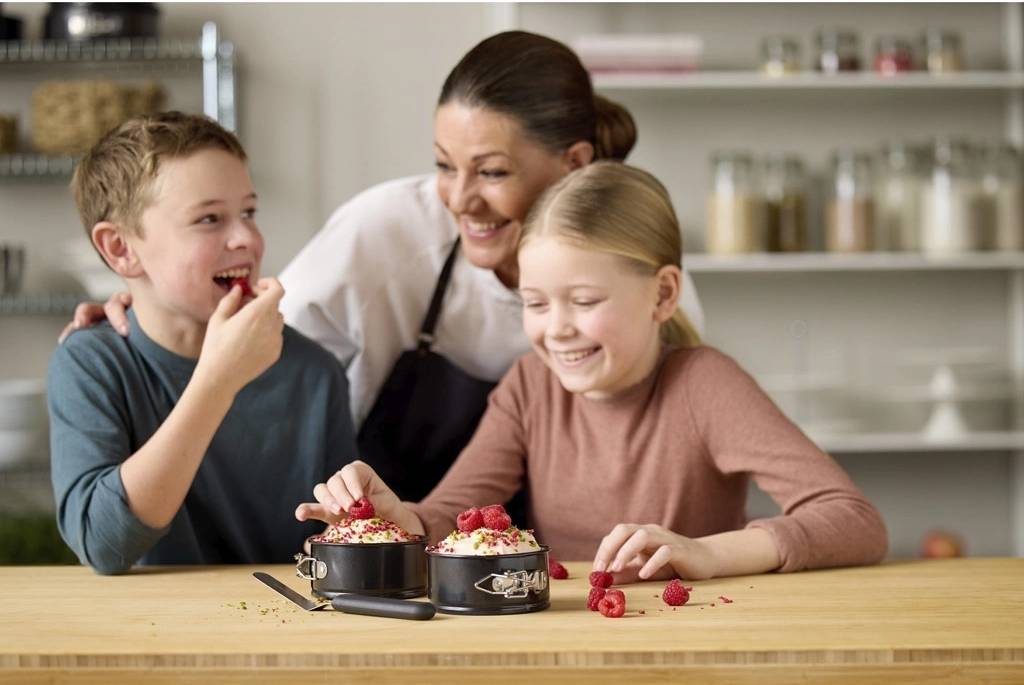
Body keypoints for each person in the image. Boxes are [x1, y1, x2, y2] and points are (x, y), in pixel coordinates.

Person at [59, 31, 704, 508]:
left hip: (582, 559)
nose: (460, 198)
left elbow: (683, 442)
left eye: (493, 171)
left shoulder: (639, 268)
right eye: (446, 166)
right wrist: (139, 309)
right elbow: (253, 339)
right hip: (410, 544)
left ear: (574, 163)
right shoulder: (388, 232)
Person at [296, 162, 888, 581]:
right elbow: (454, 514)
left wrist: (706, 554)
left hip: (691, 640)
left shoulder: (704, 385)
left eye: (583, 302)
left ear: (662, 295)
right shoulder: (530, 386)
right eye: (535, 303)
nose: (557, 329)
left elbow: (854, 521)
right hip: (566, 638)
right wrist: (400, 517)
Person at [49, 112, 357, 575]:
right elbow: (103, 544)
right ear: (120, 249)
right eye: (209, 219)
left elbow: (342, 545)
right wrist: (217, 381)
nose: (246, 238)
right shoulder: (91, 364)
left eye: (249, 212)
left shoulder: (314, 372)